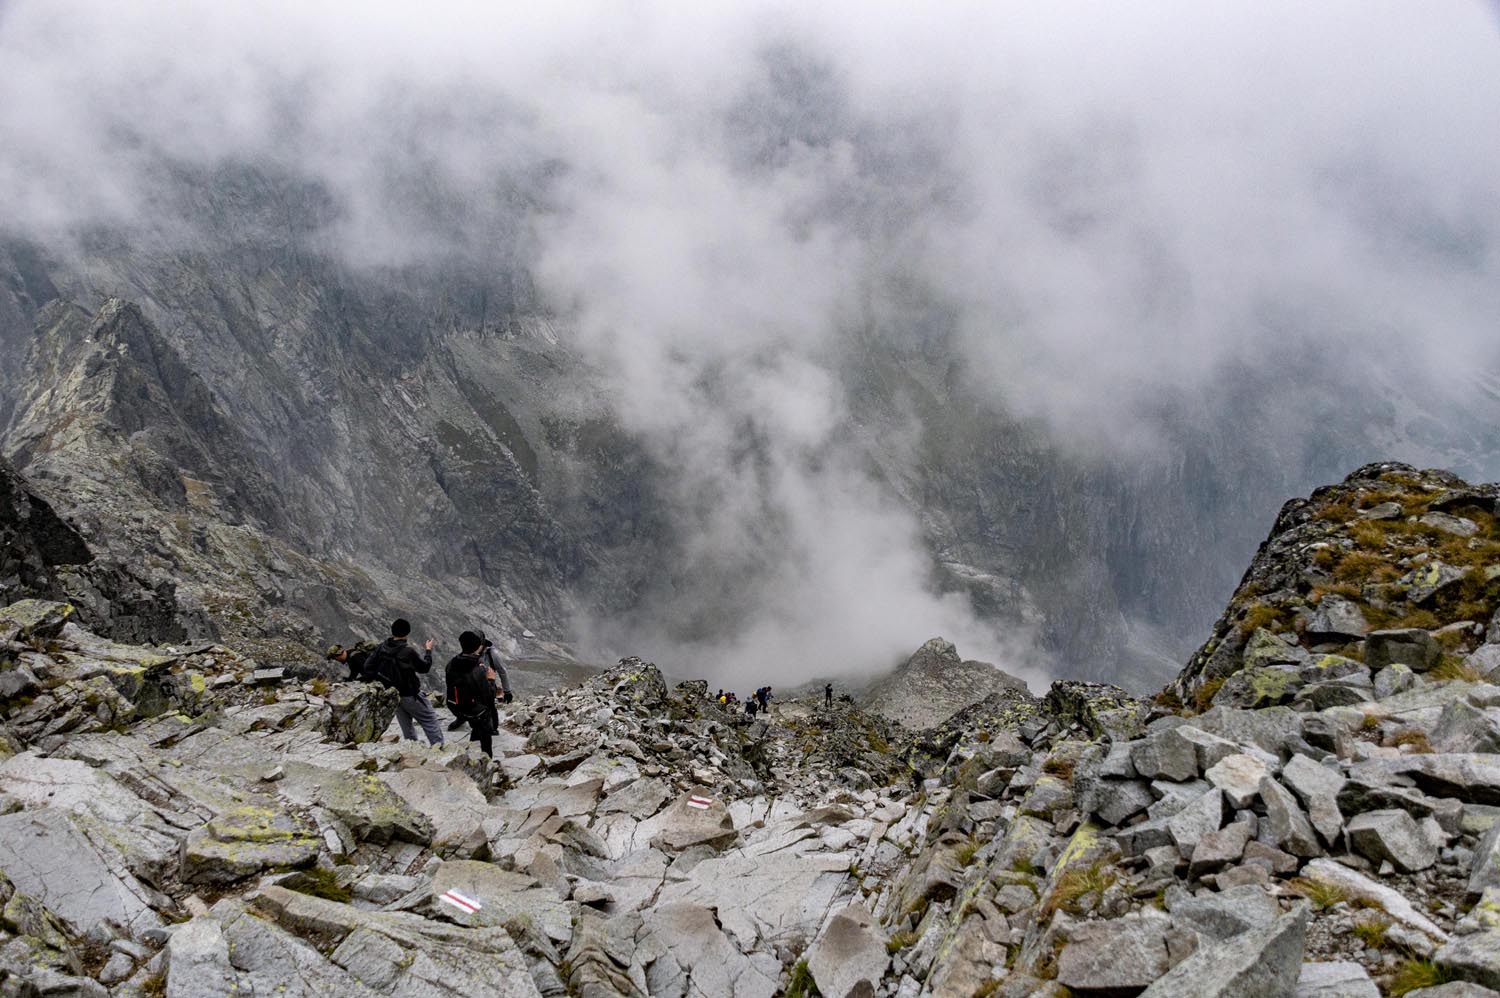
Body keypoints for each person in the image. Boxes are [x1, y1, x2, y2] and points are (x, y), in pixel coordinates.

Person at [365, 618, 444, 746]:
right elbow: (424, 668)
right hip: (410, 694)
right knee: (429, 721)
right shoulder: (408, 651)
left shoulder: (382, 647)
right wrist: (428, 651)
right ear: (407, 633)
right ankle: (439, 749)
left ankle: (411, 747)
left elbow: (368, 666)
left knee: (406, 726)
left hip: (393, 695)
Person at [446, 631, 499, 757]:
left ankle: (471, 752)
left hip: (456, 707)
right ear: (478, 647)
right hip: (475, 711)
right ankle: (487, 761)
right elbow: (489, 696)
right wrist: (491, 679)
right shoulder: (478, 670)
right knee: (485, 734)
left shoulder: (451, 663)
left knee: (475, 725)